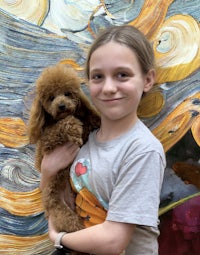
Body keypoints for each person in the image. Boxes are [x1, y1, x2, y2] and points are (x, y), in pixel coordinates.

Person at [40, 25, 166, 255]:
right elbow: (55, 196)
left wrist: (58, 238)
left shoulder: (143, 150)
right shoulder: (82, 139)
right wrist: (48, 171)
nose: (108, 88)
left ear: (147, 80)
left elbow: (113, 240)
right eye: (98, 76)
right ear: (88, 82)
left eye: (122, 75)